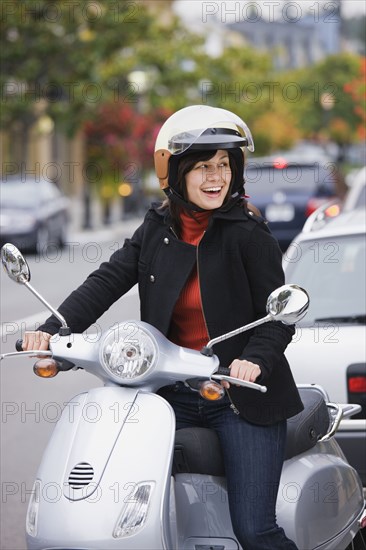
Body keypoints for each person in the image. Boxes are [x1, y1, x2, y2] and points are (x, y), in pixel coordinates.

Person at [22, 105, 303, 549]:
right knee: (119, 501)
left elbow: (280, 317)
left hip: (237, 397)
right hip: (166, 393)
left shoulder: (249, 235)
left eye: (224, 166)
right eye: (203, 167)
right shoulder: (157, 227)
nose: (216, 178)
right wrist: (51, 331)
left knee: (254, 529)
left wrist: (252, 361)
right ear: (176, 173)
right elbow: (106, 281)